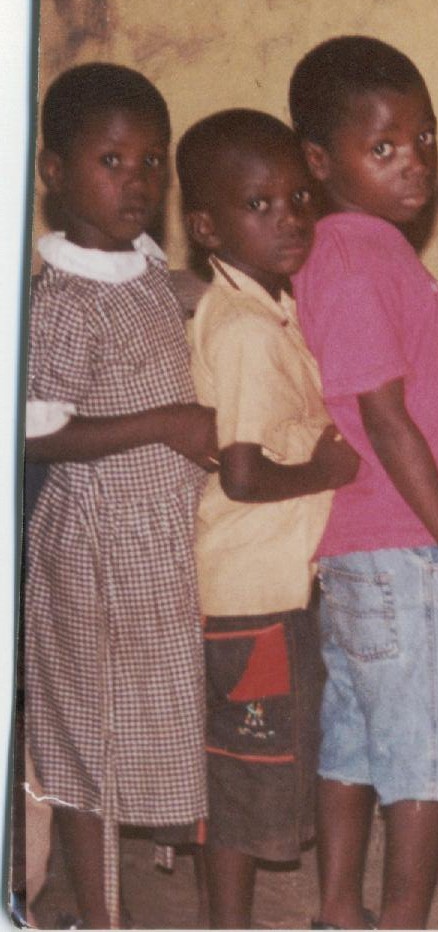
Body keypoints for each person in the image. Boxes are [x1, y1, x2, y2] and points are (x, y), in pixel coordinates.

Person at [290, 37, 438, 931]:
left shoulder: (360, 250)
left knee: (355, 744)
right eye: (382, 148)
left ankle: (341, 912)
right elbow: (384, 418)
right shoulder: (353, 260)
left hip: (359, 550)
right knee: (422, 762)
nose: (413, 163)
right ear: (319, 161)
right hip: (404, 550)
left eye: (421, 139)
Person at [24, 64, 219, 928]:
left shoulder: (141, 263)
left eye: (152, 161)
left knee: (163, 719)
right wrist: (164, 423)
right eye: (112, 160)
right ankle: (98, 917)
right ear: (54, 172)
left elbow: (180, 299)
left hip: (163, 540)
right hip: (96, 547)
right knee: (88, 740)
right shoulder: (60, 301)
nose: (137, 181)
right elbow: (34, 432)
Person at [180, 109, 362, 928]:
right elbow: (245, 471)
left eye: (297, 198)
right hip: (252, 595)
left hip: (271, 587)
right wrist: (322, 469)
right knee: (248, 772)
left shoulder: (270, 310)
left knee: (256, 764)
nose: (288, 218)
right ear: (206, 226)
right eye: (260, 205)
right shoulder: (248, 329)